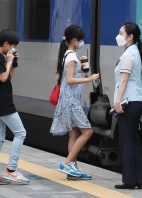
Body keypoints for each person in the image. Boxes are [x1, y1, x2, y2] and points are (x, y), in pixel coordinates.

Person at [50, 25, 100, 180]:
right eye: (80, 40)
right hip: (72, 101)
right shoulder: (71, 57)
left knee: (74, 134)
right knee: (88, 131)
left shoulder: (67, 55)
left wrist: (82, 71)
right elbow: (70, 80)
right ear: (74, 40)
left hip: (69, 99)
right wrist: (90, 78)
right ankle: (66, 163)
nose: (82, 42)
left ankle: (74, 170)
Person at [0, 29, 30, 185]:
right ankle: (11, 170)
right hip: (2, 102)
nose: (13, 49)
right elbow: (3, 78)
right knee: (21, 132)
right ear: (6, 44)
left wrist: (13, 62)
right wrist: (9, 60)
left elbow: (9, 76)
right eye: (12, 46)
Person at [113, 22, 142, 189]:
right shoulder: (134, 52)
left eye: (121, 33)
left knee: (127, 142)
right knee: (132, 141)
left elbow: (124, 81)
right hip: (135, 101)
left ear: (130, 36)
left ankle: (129, 180)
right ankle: (136, 179)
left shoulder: (128, 55)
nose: (118, 36)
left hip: (128, 102)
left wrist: (117, 102)